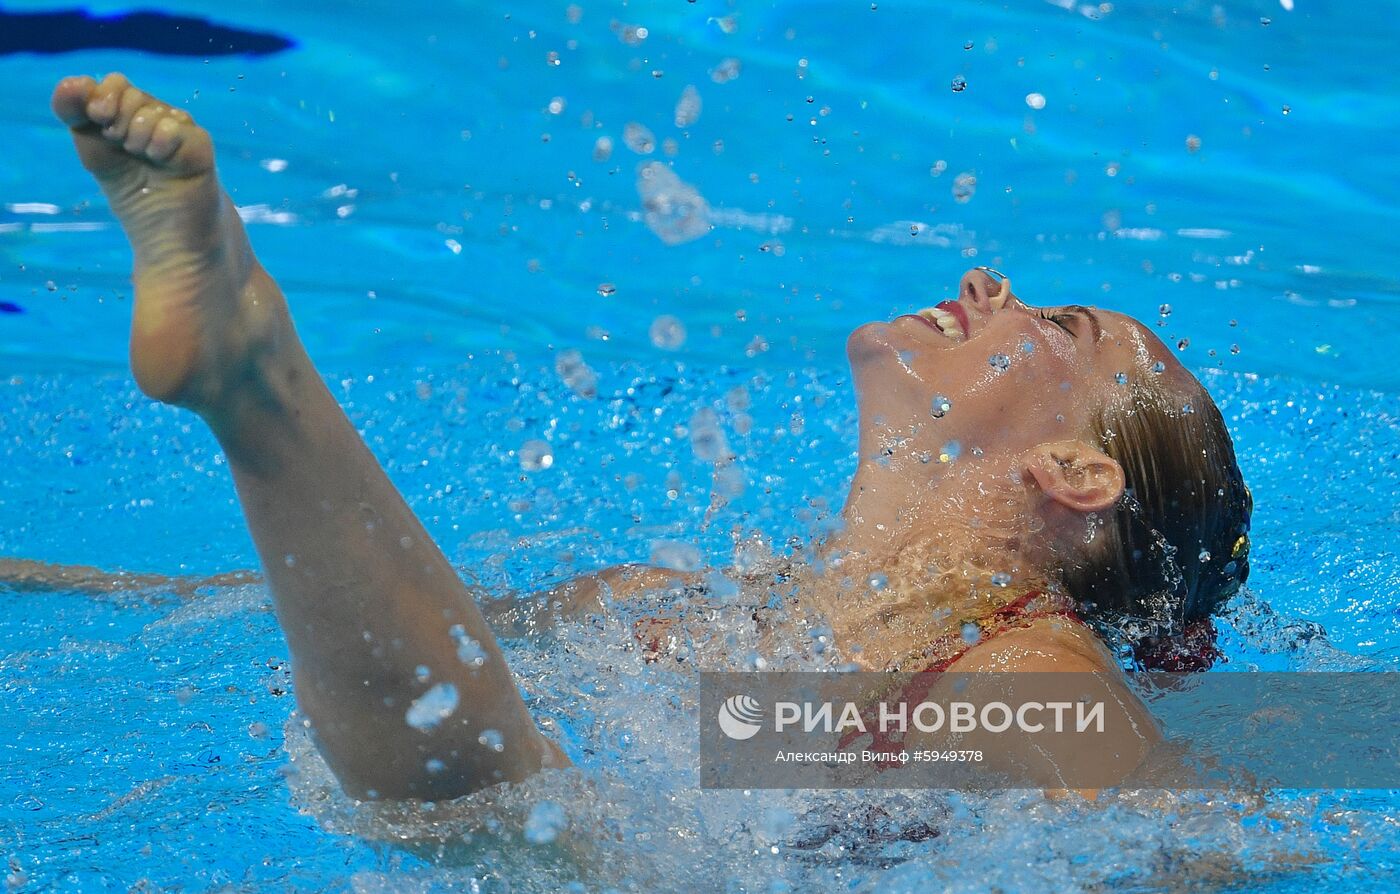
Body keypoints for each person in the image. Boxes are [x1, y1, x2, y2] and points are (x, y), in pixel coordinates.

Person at [14, 72, 1251, 800]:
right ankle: (252, 390)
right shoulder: (679, 608)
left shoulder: (1016, 684)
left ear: (1076, 475)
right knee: (471, 770)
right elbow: (269, 604)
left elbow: (1204, 854)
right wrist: (48, 579)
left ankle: (258, 381)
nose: (989, 281)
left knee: (501, 823)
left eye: (1061, 322)